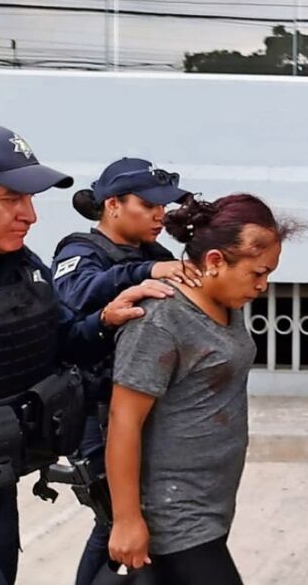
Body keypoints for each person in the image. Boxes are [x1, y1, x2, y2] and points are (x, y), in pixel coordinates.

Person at [0, 123, 170, 584]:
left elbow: (62, 341)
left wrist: (103, 321)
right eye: (11, 199)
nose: (30, 215)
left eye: (30, 199)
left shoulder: (21, 268)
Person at [106, 194, 295, 584]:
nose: (262, 286)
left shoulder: (228, 302)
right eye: (257, 273)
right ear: (214, 261)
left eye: (269, 274)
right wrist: (127, 520)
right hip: (174, 511)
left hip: (213, 503)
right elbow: (122, 419)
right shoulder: (160, 321)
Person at [51, 157, 197, 585]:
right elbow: (76, 295)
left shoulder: (155, 252)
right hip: (97, 412)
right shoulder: (80, 250)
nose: (159, 215)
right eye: (149, 204)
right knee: (115, 518)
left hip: (144, 405)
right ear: (113, 204)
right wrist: (144, 271)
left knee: (127, 519)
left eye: (163, 205)